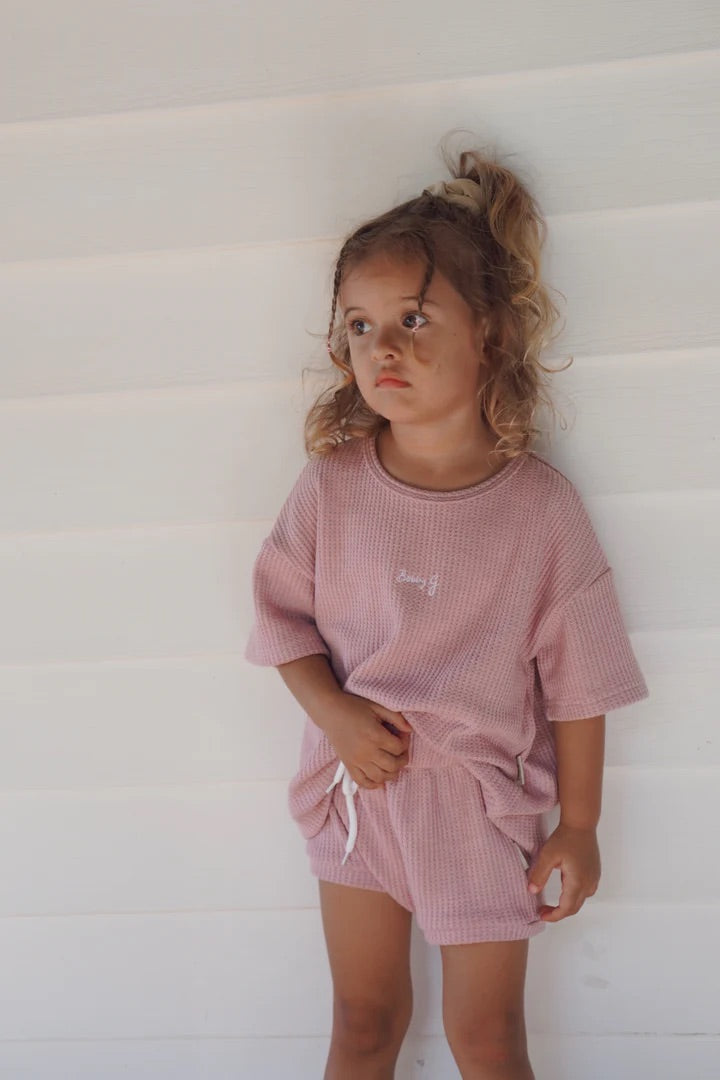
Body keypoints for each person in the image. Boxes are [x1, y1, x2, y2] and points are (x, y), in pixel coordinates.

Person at [244, 144, 650, 1080]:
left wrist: (579, 823)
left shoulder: (540, 510)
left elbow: (579, 676)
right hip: (359, 799)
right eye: (358, 324)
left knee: (488, 1040)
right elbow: (282, 626)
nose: (382, 347)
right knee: (361, 1022)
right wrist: (338, 717)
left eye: (415, 319)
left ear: (492, 337)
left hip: (479, 813)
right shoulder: (331, 490)